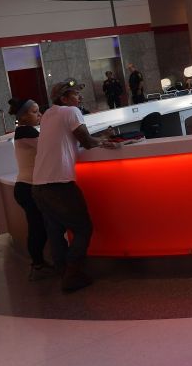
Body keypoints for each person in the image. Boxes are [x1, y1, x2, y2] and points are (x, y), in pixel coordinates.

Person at [32, 80, 116, 292]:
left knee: (56, 230)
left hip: (39, 186)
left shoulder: (49, 115)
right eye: (75, 93)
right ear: (64, 98)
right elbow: (87, 141)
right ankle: (72, 273)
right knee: (83, 227)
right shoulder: (71, 111)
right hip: (59, 184)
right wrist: (105, 137)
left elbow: (70, 141)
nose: (79, 97)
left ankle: (63, 271)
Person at [8, 98, 55, 281]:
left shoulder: (25, 131)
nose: (39, 115)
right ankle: (37, 265)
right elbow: (49, 148)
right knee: (38, 228)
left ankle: (39, 263)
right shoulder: (25, 131)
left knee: (39, 226)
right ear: (24, 116)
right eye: (35, 112)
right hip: (27, 188)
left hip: (26, 187)